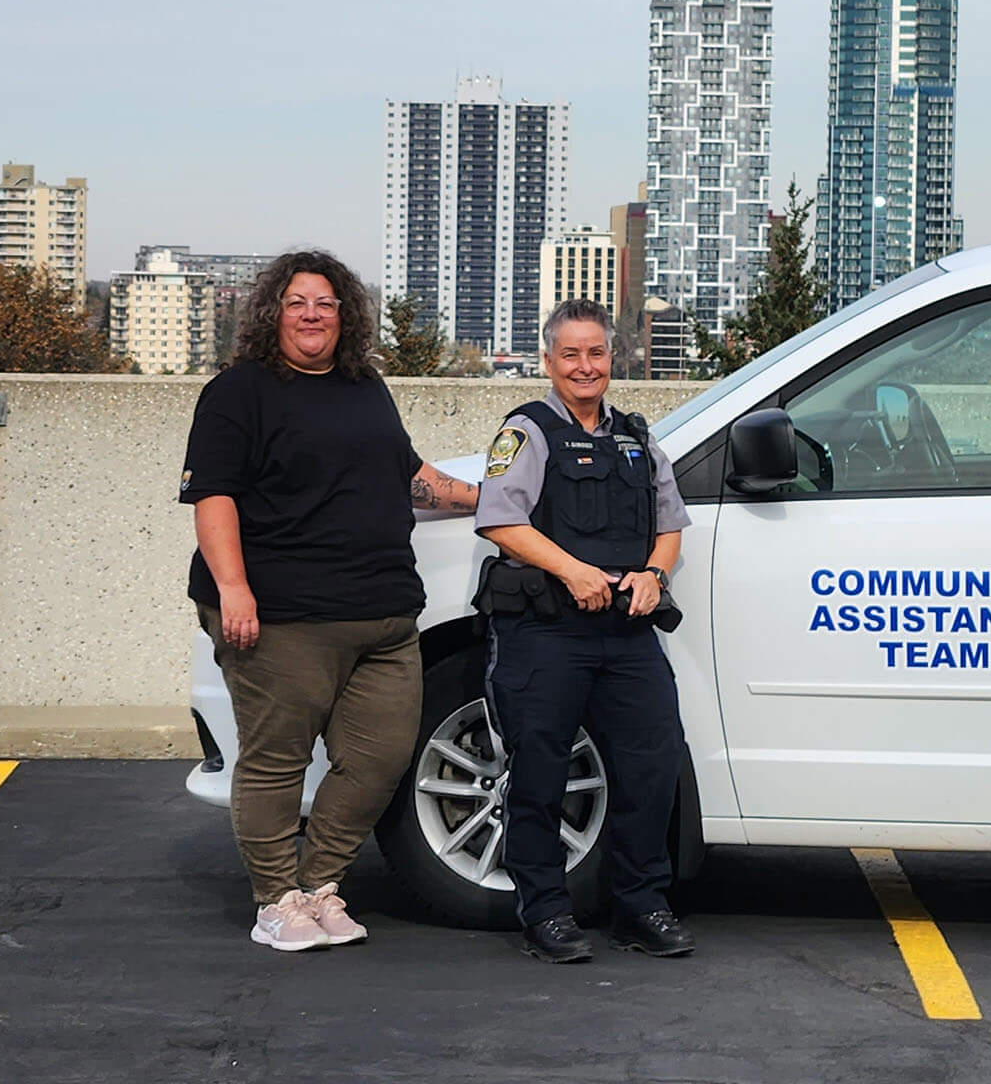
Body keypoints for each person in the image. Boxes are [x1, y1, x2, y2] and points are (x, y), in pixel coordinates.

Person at [182, 250, 480, 952]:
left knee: (381, 755)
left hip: (383, 612)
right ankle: (274, 899)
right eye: (296, 303)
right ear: (272, 314)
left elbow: (410, 478)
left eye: (325, 303)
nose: (312, 314)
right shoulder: (240, 391)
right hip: (283, 615)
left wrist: (493, 499)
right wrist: (233, 590)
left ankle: (320, 888)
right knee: (276, 759)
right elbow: (213, 495)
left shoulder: (363, 386)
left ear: (346, 316)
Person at [472, 299, 694, 963]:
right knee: (539, 773)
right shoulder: (527, 432)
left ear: (612, 358)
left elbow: (671, 524)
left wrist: (655, 574)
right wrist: (572, 571)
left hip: (627, 633)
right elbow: (498, 518)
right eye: (570, 354)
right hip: (548, 633)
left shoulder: (635, 436)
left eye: (595, 352)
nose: (585, 365)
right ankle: (545, 914)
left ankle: (641, 908)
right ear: (549, 362)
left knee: (652, 767)